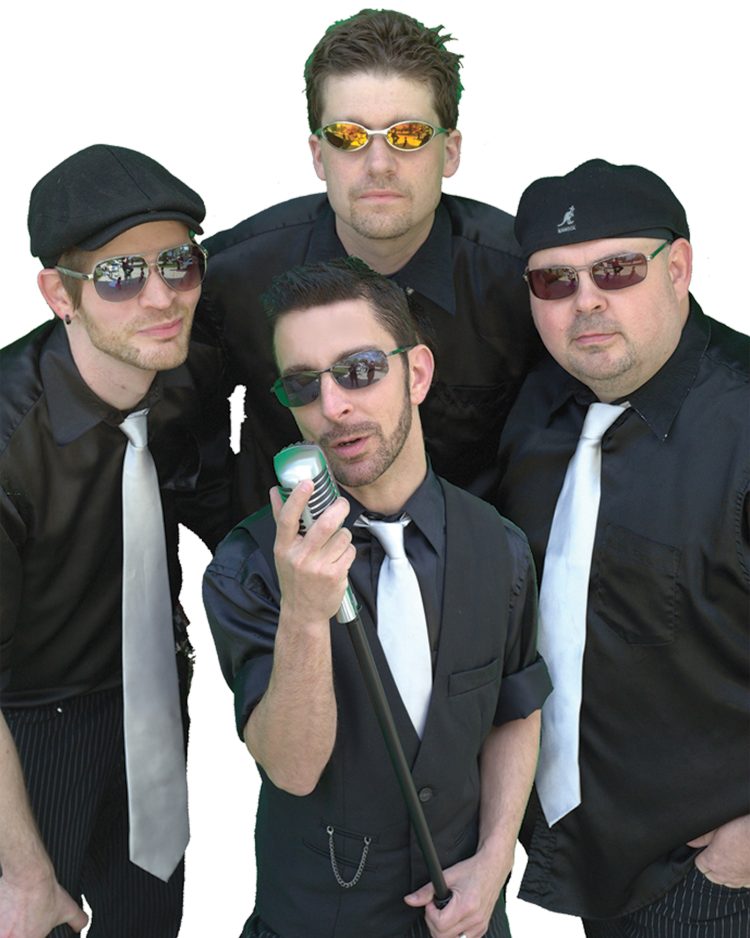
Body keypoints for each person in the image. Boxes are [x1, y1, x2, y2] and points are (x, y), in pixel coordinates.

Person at [203, 258, 551, 938]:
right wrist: (306, 613)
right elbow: (291, 768)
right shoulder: (249, 565)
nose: (333, 407)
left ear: (416, 374)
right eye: (303, 385)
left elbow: (515, 709)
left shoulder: (501, 546)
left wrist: (496, 860)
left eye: (359, 370)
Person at [496, 159, 750, 936]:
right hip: (599, 868)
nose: (587, 301)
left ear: (678, 268)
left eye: (617, 269)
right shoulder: (533, 413)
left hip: (719, 876)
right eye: (555, 281)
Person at [0, 144, 234, 938]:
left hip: (154, 702)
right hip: (29, 727)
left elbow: (213, 500)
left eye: (178, 264)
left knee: (147, 919)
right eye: (120, 275)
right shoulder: (8, 443)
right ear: (59, 295)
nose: (161, 297)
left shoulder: (187, 373)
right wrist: (25, 871)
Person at [195, 8, 540, 516]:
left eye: (408, 135)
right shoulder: (232, 276)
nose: (379, 164)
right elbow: (180, 435)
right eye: (349, 137)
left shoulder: (525, 280)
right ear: (319, 154)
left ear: (450, 152)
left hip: (476, 559)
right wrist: (243, 546)